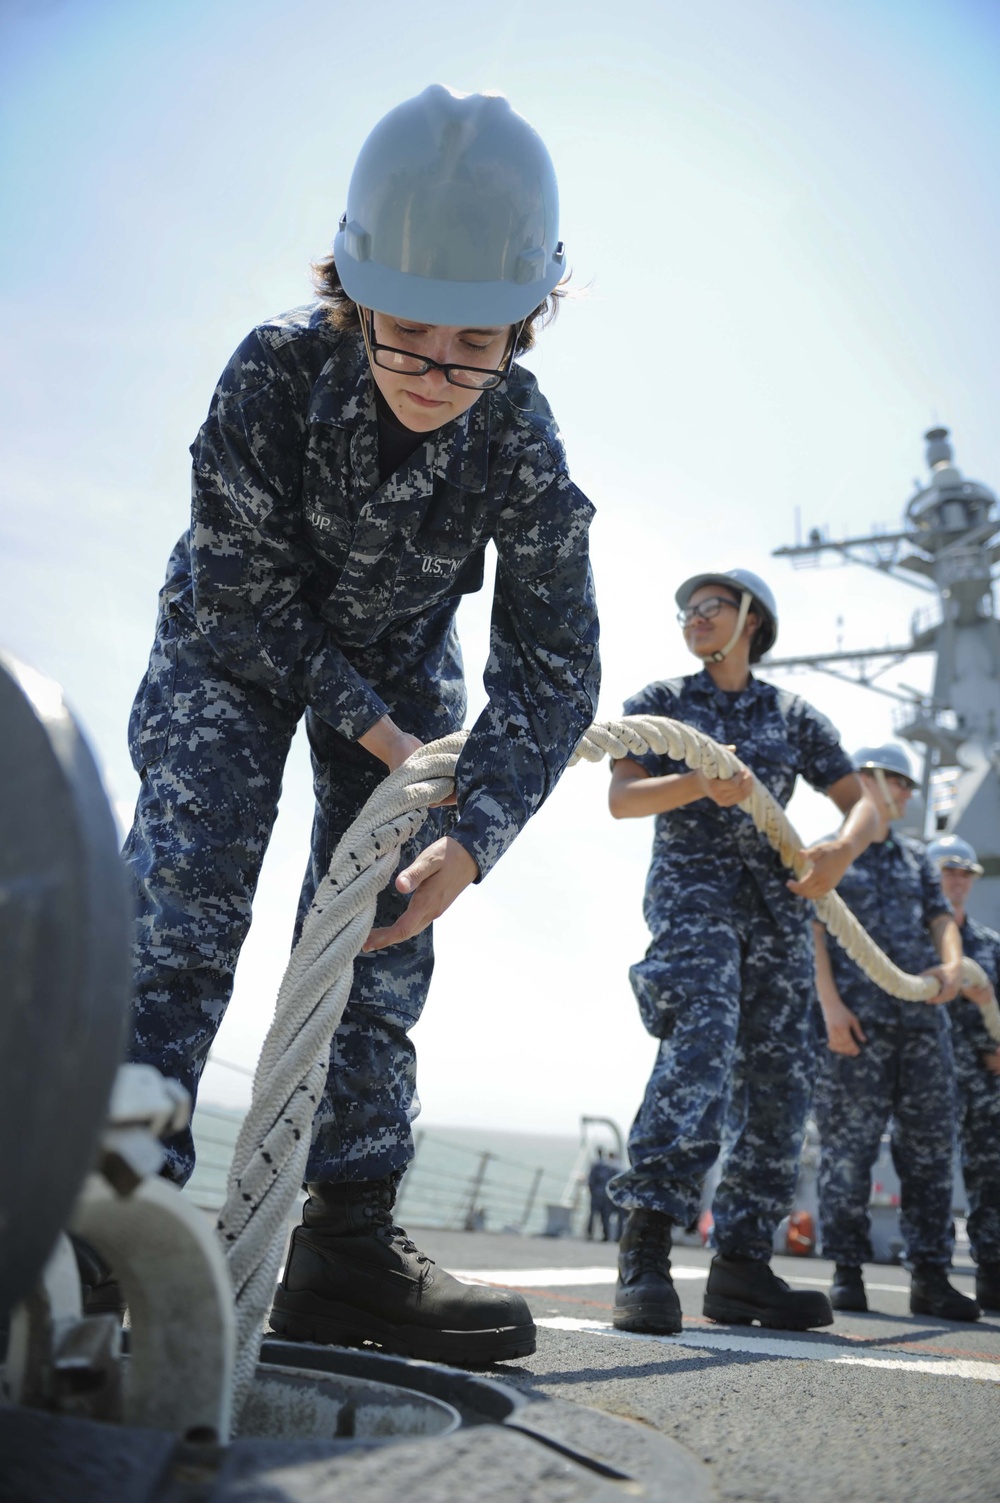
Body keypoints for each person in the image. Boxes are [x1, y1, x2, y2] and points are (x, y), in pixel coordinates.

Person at [122, 85, 600, 1366]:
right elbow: (238, 591)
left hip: (402, 667)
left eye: (478, 344)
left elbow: (556, 666)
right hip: (234, 650)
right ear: (350, 290)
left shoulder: (519, 436)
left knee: (382, 942)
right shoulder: (272, 374)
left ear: (528, 321)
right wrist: (381, 737)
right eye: (406, 337)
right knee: (183, 910)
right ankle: (109, 1214)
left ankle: (345, 1245)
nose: (439, 375)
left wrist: (474, 835)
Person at [606, 569, 877, 1333]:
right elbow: (622, 798)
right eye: (686, 610)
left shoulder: (793, 715)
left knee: (780, 1079)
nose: (693, 618)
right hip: (696, 904)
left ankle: (741, 1265)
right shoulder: (661, 704)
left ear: (751, 619)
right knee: (700, 1043)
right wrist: (697, 782)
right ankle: (648, 1243)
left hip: (777, 917)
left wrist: (838, 854)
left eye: (710, 607)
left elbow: (862, 805)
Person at [813, 748, 979, 1321]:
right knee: (848, 1153)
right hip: (856, 1026)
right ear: (868, 782)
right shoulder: (832, 852)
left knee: (931, 1151)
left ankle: (930, 1275)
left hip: (921, 1026)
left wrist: (951, 966)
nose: (909, 794)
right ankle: (846, 1269)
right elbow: (813, 930)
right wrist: (830, 1007)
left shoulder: (914, 861)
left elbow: (941, 921)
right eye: (900, 783)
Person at [927, 835, 1000, 1312]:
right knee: (928, 1172)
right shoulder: (910, 941)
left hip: (984, 1078)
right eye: (949, 872)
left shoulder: (991, 947)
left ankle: (992, 1273)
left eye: (965, 875)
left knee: (990, 1175)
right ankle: (929, 1273)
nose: (958, 882)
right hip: (926, 1076)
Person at [586, 1149, 614, 1241]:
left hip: (597, 1194)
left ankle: (590, 1234)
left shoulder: (595, 1165)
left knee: (593, 1214)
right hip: (606, 1194)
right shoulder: (609, 1165)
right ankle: (606, 1235)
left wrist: (592, 1191)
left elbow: (591, 1181)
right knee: (605, 1216)